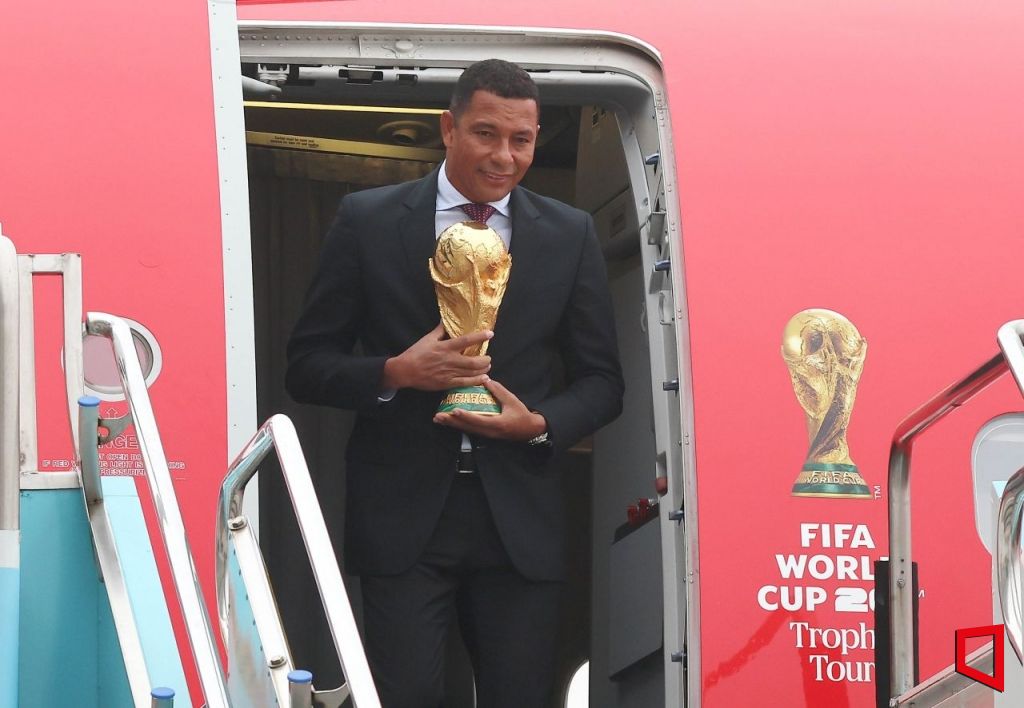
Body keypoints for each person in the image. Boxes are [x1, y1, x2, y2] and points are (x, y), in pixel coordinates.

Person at [286, 59, 624, 708]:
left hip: (519, 517)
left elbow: (604, 382)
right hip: (403, 516)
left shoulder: (570, 233)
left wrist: (539, 425)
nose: (504, 156)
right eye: (485, 134)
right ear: (448, 128)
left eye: (521, 140)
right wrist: (395, 372)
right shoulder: (367, 219)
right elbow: (305, 365)